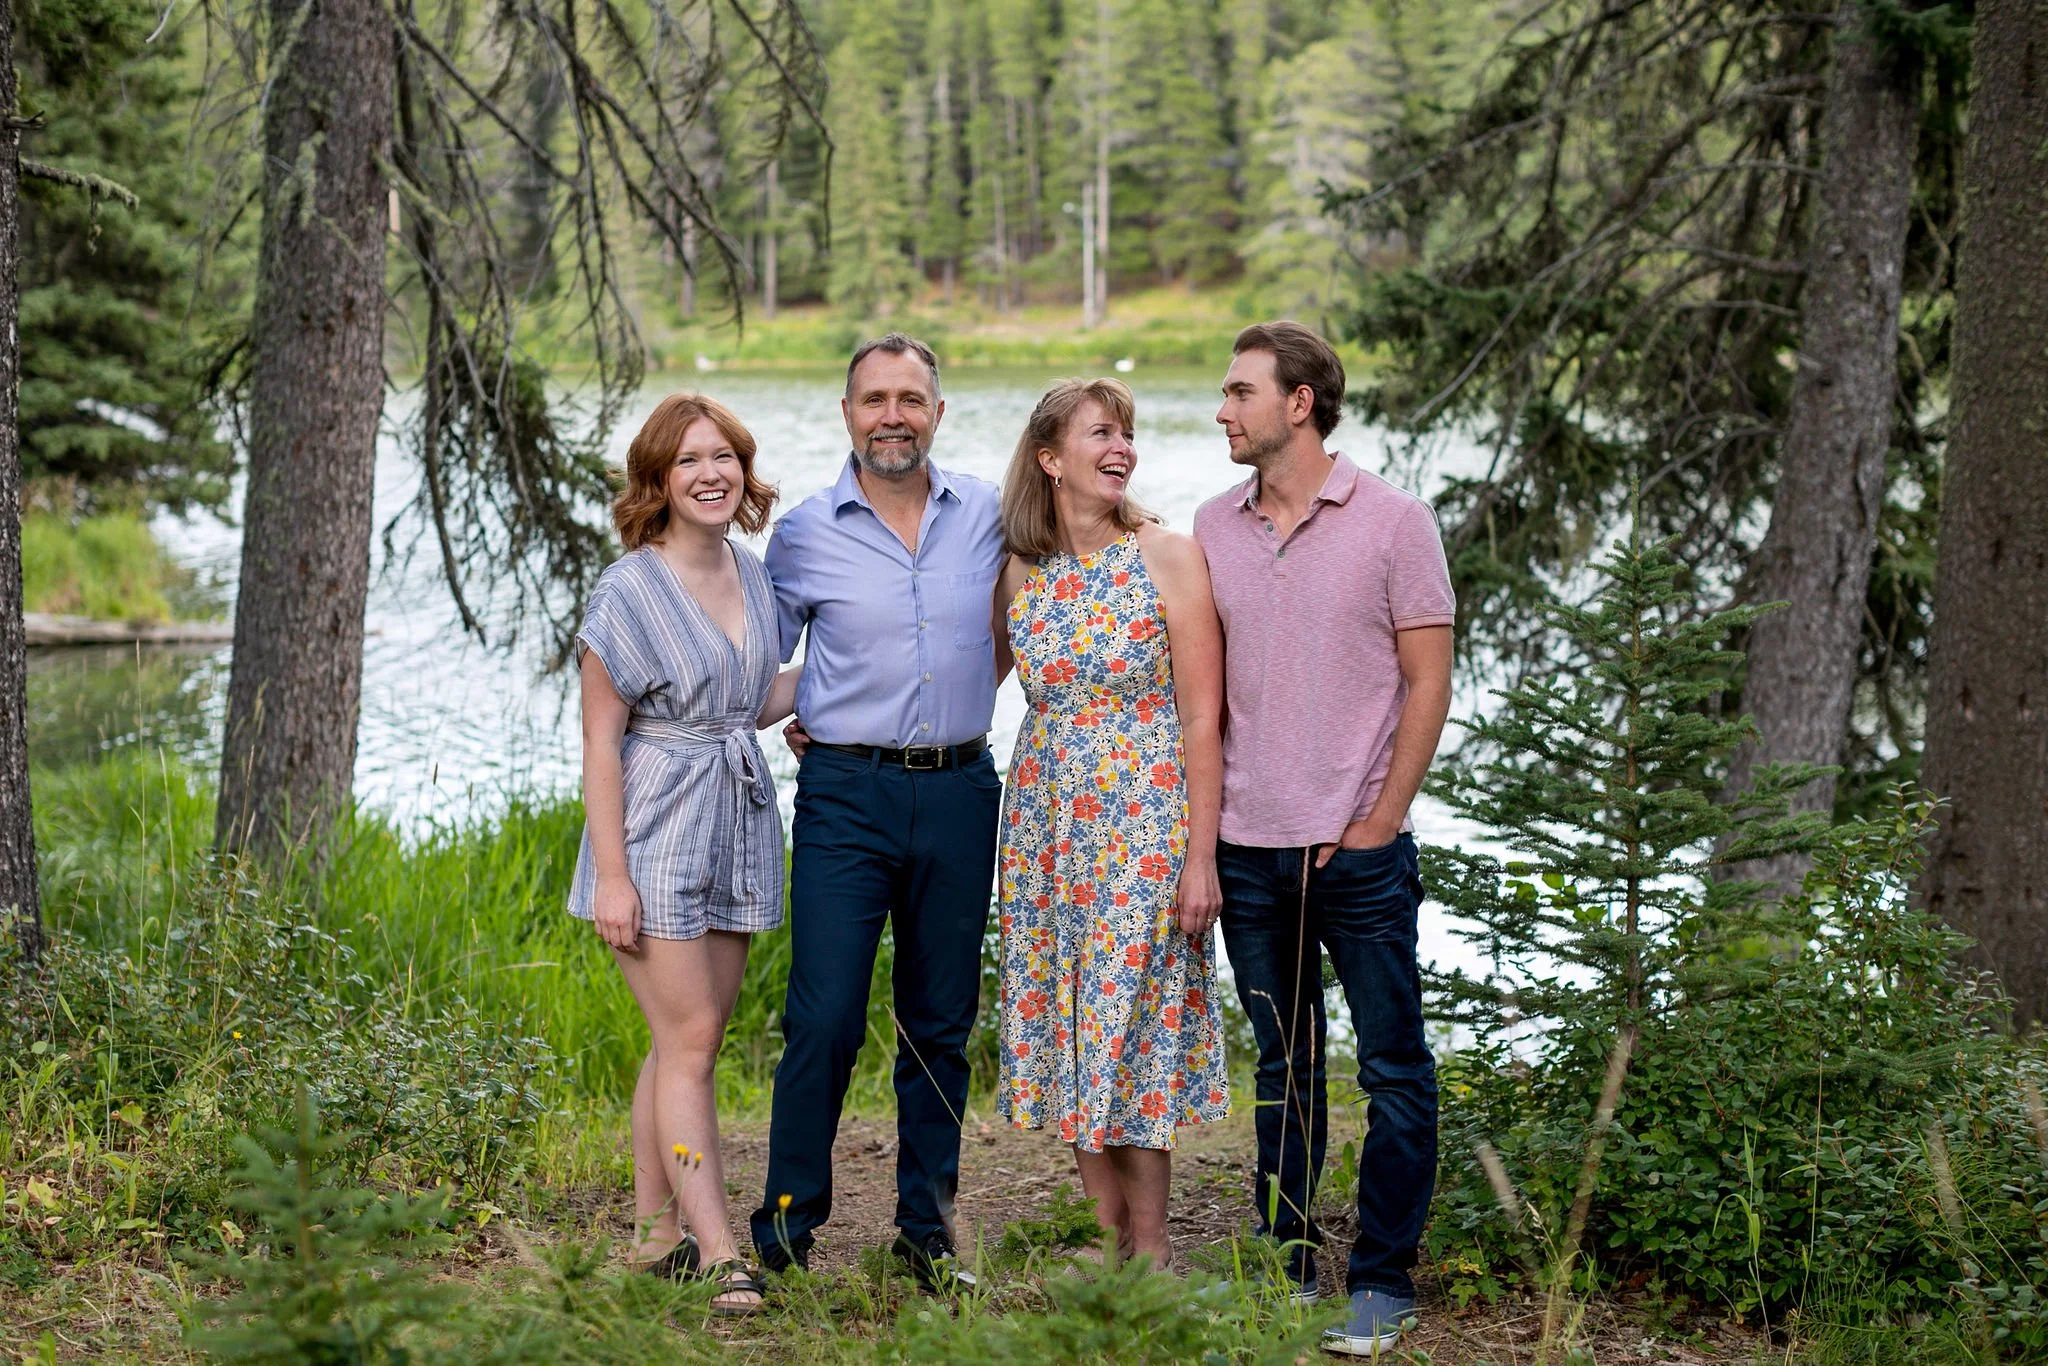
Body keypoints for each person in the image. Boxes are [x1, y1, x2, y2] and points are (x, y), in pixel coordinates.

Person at [1193, 322, 1455, 1355]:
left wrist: (1377, 820)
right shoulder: (1212, 527)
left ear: (1298, 403)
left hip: (1356, 854)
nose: (1222, 409)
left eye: (1238, 391)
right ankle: (1286, 1262)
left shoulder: (1393, 522)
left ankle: (1381, 1280)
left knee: (1392, 1065)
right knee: (1281, 1063)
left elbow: (1427, 679)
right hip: (1246, 852)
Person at [749, 334, 1006, 1290]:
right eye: (873, 399)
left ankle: (927, 1238)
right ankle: (782, 1234)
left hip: (959, 791)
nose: (891, 415)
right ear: (847, 414)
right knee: (823, 1019)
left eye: (910, 398)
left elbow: (1022, 619)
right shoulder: (806, 532)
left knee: (940, 1022)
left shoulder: (987, 510)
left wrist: (957, 703)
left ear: (938, 411)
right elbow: (759, 663)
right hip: (845, 799)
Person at [568, 392, 802, 1314]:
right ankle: (715, 1249)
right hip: (655, 831)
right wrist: (613, 876)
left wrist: (840, 695)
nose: (711, 474)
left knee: (681, 1043)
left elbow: (752, 697)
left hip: (739, 821)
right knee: (693, 1040)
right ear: (659, 481)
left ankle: (653, 1233)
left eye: (725, 457)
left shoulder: (753, 575)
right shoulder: (627, 588)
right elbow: (598, 742)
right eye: (690, 460)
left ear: (742, 471)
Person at [991, 378, 1230, 1269]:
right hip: (1046, 833)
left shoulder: (1167, 555)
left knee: (1131, 1024)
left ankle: (1156, 1246)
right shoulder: (1022, 569)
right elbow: (962, 681)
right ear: (1051, 459)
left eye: (1126, 432)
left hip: (1143, 825)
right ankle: (1105, 1238)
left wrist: (1198, 855)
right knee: (1067, 1022)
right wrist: (829, 712)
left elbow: (1204, 717)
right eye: (1101, 432)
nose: (1121, 446)